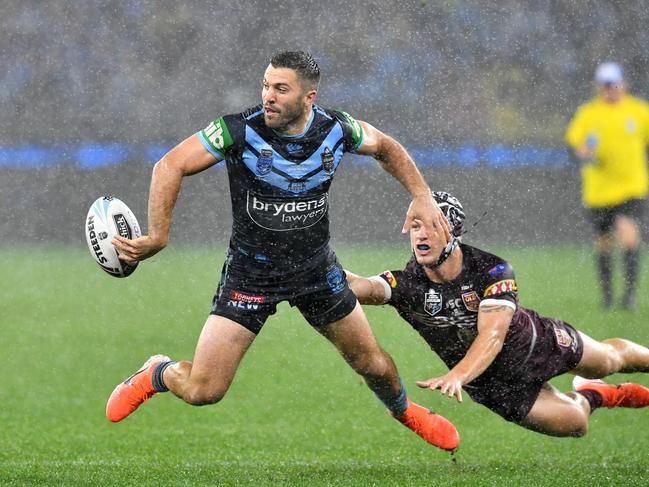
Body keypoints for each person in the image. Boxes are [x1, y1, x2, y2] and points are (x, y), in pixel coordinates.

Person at [105, 51, 459, 451]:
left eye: (280, 88)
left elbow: (387, 147)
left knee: (372, 363)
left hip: (316, 270)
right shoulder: (237, 130)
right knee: (204, 390)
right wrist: (158, 236)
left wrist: (422, 195)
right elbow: (170, 165)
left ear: (309, 97)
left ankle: (403, 410)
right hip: (250, 275)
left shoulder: (338, 129)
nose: (268, 96)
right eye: (265, 85)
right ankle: (158, 372)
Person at [346, 191, 649, 437]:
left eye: (432, 225)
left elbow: (492, 335)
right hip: (494, 387)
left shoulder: (490, 269)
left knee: (610, 361)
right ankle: (594, 394)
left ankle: (600, 376)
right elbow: (362, 286)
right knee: (576, 423)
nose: (421, 234)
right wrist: (313, 270)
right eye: (415, 226)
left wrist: (458, 375)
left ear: (454, 233)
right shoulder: (407, 283)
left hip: (536, 346)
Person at [565, 61, 649, 310]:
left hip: (631, 187)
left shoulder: (638, 111)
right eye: (604, 85)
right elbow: (575, 144)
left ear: (623, 84)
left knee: (629, 236)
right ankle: (608, 297)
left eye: (613, 84)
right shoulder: (589, 114)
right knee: (604, 243)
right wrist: (584, 153)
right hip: (599, 192)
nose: (609, 89)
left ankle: (629, 295)